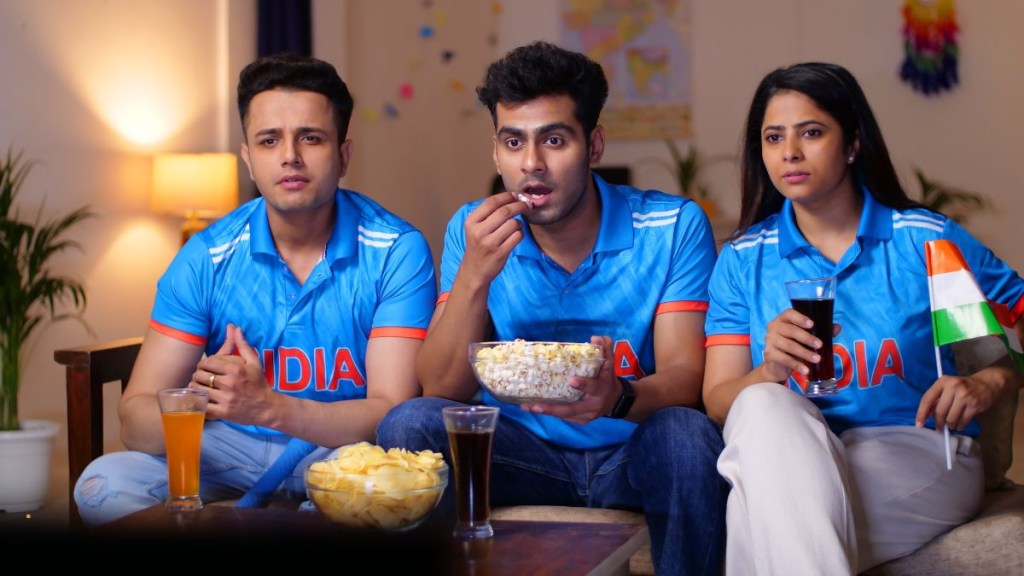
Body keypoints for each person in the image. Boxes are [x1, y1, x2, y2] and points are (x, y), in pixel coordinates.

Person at [376, 41, 727, 575]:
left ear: (594, 145)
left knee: (685, 435)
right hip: (520, 452)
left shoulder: (672, 225)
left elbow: (686, 377)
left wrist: (617, 397)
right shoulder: (474, 229)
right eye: (513, 141)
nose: (531, 164)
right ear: (496, 152)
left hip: (631, 450)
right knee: (409, 424)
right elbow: (440, 387)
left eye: (554, 140)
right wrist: (474, 275)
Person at [73, 53, 437, 526]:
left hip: (338, 451)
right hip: (226, 444)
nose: (290, 156)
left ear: (344, 155)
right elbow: (135, 421)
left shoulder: (396, 251)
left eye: (311, 137)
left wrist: (269, 407)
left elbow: (390, 412)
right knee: (99, 485)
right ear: (248, 158)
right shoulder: (206, 256)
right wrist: (199, 401)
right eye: (269, 140)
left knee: (395, 494)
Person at [703, 61, 1024, 574]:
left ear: (853, 143)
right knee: (761, 404)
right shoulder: (742, 259)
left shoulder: (924, 241)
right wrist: (769, 370)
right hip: (789, 449)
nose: (789, 152)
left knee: (761, 516)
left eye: (811, 132)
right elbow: (719, 401)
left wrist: (987, 382)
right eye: (773, 137)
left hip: (916, 449)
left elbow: (996, 342)